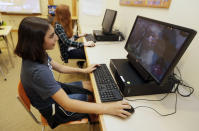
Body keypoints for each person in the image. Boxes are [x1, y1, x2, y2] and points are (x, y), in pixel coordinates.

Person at [14, 17, 132, 129]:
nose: (56, 38)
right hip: (54, 108)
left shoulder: (37, 52)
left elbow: (59, 67)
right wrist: (107, 108)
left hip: (53, 89)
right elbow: (67, 104)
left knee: (92, 86)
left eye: (54, 33)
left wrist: (83, 70)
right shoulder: (38, 71)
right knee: (95, 98)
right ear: (36, 42)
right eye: (51, 36)